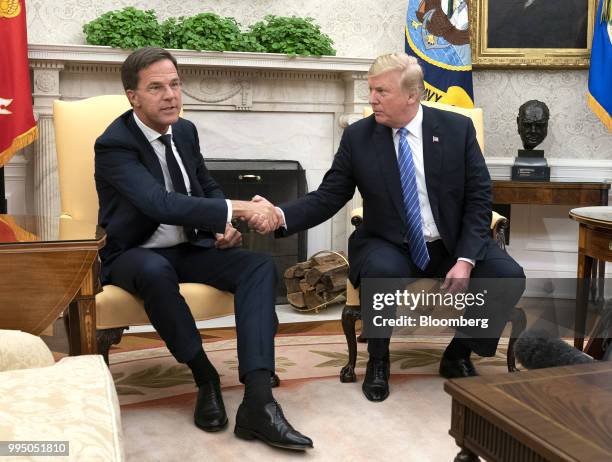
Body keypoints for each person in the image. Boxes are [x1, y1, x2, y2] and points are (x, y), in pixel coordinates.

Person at [251, 53, 525, 402]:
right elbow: (329, 195)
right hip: (388, 241)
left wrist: (466, 260)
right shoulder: (359, 137)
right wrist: (280, 214)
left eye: (381, 91)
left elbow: (479, 198)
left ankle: (459, 351)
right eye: (370, 90)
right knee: (381, 271)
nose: (372, 99)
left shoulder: (456, 130)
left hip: (450, 242)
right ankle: (378, 361)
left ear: (413, 95)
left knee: (508, 276)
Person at [94, 47, 312, 450]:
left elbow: (204, 185)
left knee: (259, 267)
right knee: (155, 271)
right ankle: (205, 377)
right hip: (134, 253)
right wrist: (241, 207)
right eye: (156, 87)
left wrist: (224, 225)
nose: (170, 96)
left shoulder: (186, 130)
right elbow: (158, 204)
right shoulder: (114, 145)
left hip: (188, 246)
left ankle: (259, 401)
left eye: (175, 84)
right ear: (132, 96)